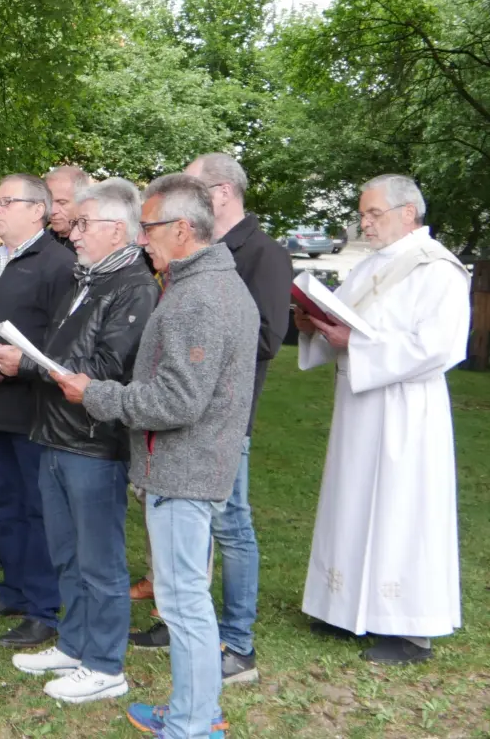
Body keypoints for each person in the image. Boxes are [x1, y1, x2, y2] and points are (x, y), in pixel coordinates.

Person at [50, 173, 257, 739]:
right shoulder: (206, 285)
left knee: (183, 603)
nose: (143, 239)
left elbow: (178, 400)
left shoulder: (200, 297)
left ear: (185, 230)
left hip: (185, 470)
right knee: (184, 598)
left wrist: (94, 393)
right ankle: (195, 710)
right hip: (189, 466)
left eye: (152, 228)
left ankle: (191, 722)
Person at [123, 153, 294, 680]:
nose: (142, 238)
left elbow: (262, 338)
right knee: (184, 570)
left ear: (217, 194)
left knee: (230, 529)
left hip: (217, 422)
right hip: (191, 423)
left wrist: (107, 394)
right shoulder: (200, 268)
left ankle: (235, 643)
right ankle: (180, 632)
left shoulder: (254, 257)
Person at [0, 178, 157, 703]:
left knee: (100, 559)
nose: (74, 230)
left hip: (94, 440)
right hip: (57, 432)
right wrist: (29, 362)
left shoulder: (134, 285)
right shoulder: (87, 277)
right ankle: (75, 642)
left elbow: (108, 367)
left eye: (84, 223)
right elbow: (62, 347)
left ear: (117, 230)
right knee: (66, 553)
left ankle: (106, 664)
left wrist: (32, 366)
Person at [296, 174, 469, 666]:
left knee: (401, 510)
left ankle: (409, 629)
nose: (364, 223)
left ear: (408, 213)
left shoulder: (439, 270)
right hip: (360, 404)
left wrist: (358, 345)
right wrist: (315, 325)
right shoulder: (372, 263)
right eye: (363, 214)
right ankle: (344, 607)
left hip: (407, 409)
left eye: (373, 214)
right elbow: (344, 320)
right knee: (350, 501)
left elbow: (439, 346)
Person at [0, 174, 76, 649]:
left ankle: (43, 609)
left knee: (37, 511)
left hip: (35, 409)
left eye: (7, 201)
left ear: (39, 210)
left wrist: (20, 366)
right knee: (5, 507)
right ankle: (12, 591)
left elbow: (64, 346)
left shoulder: (58, 265)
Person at [45, 166, 93, 253]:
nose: (52, 211)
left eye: (62, 202)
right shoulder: (41, 238)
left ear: (82, 202)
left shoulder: (94, 247)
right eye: (48, 201)